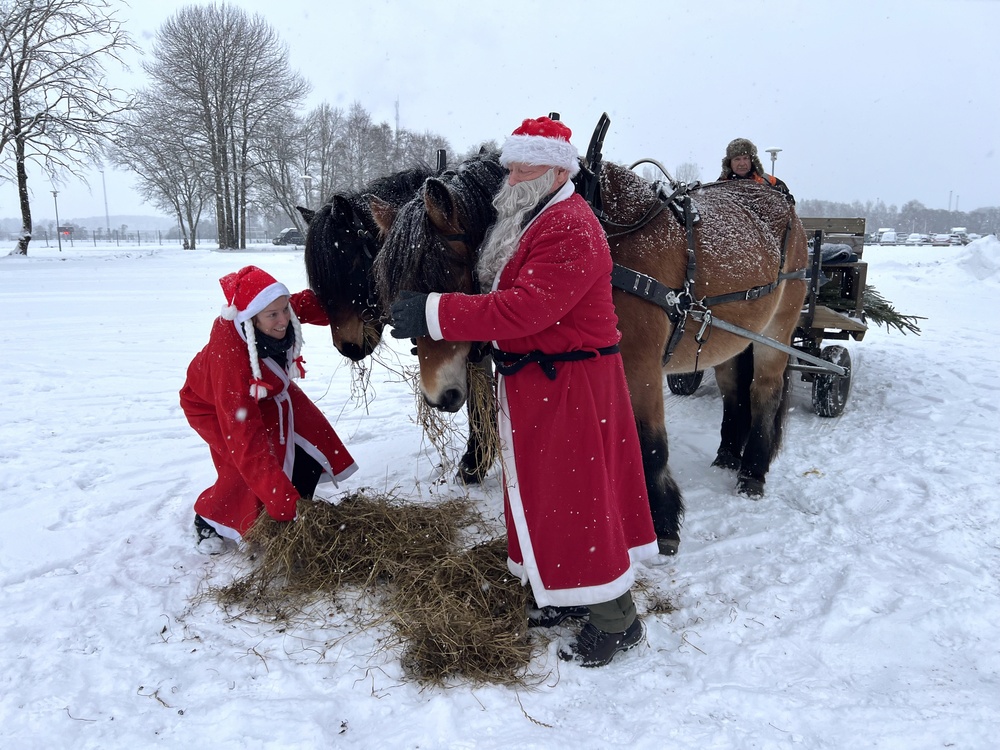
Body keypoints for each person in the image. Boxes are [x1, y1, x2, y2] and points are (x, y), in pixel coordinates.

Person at [389, 116, 658, 668]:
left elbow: (525, 308)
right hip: (540, 381)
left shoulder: (571, 226)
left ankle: (616, 623)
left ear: (557, 170)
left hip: (572, 386)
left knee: (580, 500)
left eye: (522, 164)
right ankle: (562, 594)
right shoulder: (532, 216)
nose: (510, 174)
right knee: (545, 499)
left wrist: (435, 313)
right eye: (511, 164)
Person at [180, 265, 357, 552]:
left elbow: (311, 303)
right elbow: (245, 438)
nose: (283, 320)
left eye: (284, 310)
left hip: (268, 390)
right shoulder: (230, 359)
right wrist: (280, 499)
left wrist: (358, 295)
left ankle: (300, 511)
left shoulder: (272, 309)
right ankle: (209, 518)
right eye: (273, 315)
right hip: (215, 406)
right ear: (250, 319)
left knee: (311, 442)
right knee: (244, 466)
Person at [718, 137, 795, 203]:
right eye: (737, 159)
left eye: (745, 158)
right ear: (729, 162)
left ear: (752, 160)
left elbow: (790, 201)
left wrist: (771, 192)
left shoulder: (768, 181)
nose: (742, 163)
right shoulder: (720, 186)